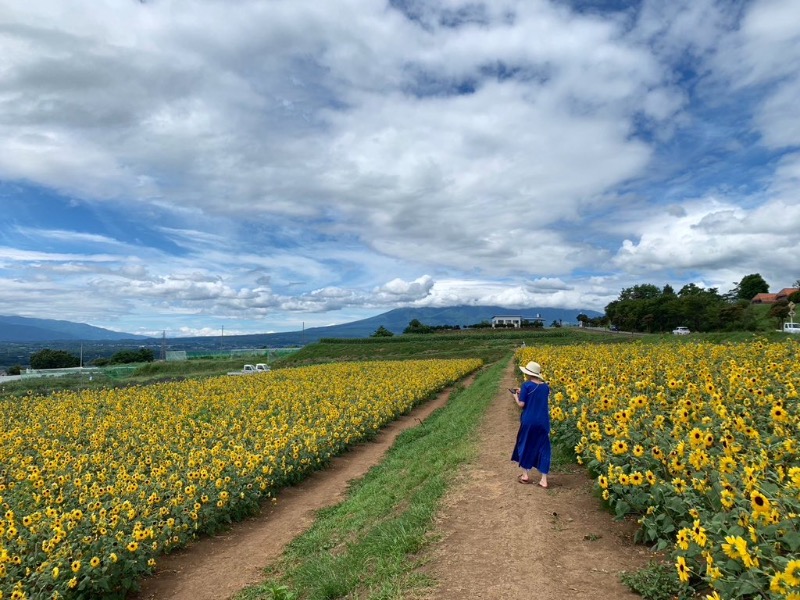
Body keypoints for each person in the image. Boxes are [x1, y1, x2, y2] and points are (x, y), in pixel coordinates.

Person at [510, 360, 551, 487]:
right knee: (544, 447)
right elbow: (537, 397)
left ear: (528, 373)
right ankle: (544, 480)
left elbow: (522, 405)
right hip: (543, 422)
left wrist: (516, 396)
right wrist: (522, 391)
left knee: (525, 444)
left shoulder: (527, 386)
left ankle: (525, 475)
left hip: (529, 421)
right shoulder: (546, 387)